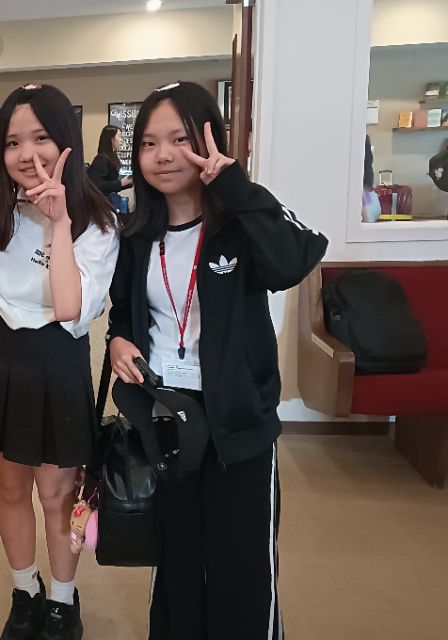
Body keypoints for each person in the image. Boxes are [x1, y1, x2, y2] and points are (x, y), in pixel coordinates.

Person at [107, 81, 328, 640]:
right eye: (149, 143)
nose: (163, 155)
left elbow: (295, 260)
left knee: (241, 567)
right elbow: (125, 314)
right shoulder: (136, 236)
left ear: (209, 142)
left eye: (179, 139)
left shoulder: (240, 225)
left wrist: (235, 186)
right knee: (177, 561)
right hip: (167, 417)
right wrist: (118, 340)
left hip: (237, 419)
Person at [0, 83, 119, 640]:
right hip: (0, 358)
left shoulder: (98, 220)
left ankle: (63, 602)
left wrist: (60, 223)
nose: (27, 155)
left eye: (41, 138)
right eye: (12, 142)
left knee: (57, 496)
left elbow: (70, 307)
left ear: (67, 141)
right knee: (9, 491)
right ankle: (25, 591)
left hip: (57, 361)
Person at [87, 124, 132, 212]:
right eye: (119, 136)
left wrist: (128, 183)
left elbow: (110, 184)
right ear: (111, 139)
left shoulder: (111, 157)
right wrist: (120, 183)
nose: (121, 140)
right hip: (100, 205)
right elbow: (96, 184)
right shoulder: (101, 159)